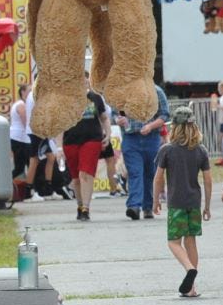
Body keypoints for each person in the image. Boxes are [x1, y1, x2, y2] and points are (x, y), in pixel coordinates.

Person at [153, 107, 213, 298]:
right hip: (194, 202)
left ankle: (189, 268)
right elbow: (208, 180)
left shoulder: (167, 150)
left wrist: (155, 200)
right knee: (191, 241)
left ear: (175, 127)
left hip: (176, 202)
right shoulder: (201, 150)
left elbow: (158, 178)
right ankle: (191, 288)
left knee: (173, 242)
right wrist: (207, 206)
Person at [61, 80, 110, 222]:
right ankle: (80, 204)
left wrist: (108, 134)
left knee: (85, 173)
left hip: (92, 139)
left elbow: (104, 118)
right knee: (76, 178)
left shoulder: (95, 98)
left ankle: (86, 208)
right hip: (70, 140)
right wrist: (58, 147)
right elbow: (60, 125)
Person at [121, 83, 170, 220]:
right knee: (135, 171)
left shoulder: (156, 91)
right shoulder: (125, 90)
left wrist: (150, 126)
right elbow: (117, 111)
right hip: (131, 137)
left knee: (150, 172)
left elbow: (165, 114)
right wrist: (119, 118)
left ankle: (148, 207)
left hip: (152, 138)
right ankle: (134, 206)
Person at [9, 83, 37, 203]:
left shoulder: (21, 104)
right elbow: (26, 122)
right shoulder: (21, 105)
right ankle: (29, 192)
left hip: (20, 138)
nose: (31, 93)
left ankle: (28, 191)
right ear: (23, 92)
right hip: (20, 138)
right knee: (25, 165)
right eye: (29, 91)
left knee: (23, 166)